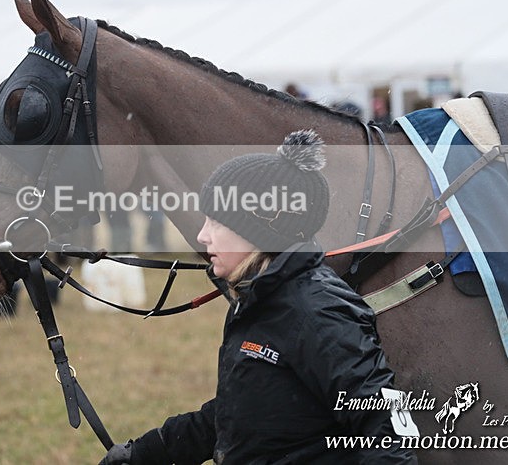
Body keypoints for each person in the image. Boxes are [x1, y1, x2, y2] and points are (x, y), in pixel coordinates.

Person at [100, 130, 415, 464]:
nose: (202, 235)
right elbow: (238, 415)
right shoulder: (257, 297)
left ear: (260, 229)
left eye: (216, 222)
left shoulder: (320, 310)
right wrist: (145, 452)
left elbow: (391, 430)